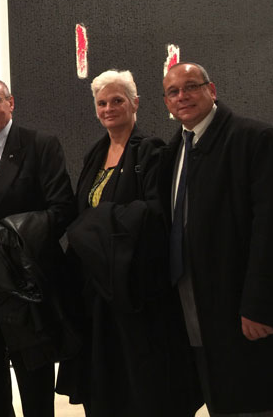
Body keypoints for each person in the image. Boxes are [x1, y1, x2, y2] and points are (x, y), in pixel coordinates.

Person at [158, 62, 273, 416]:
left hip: (250, 312)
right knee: (227, 400)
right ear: (166, 103)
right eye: (173, 92)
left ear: (212, 90)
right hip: (203, 312)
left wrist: (261, 306)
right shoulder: (174, 151)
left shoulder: (255, 139)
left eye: (191, 86)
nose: (182, 96)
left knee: (267, 401)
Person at [57, 69, 201, 416]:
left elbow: (154, 213)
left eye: (117, 100)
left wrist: (94, 225)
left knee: (139, 383)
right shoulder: (96, 153)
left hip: (132, 289)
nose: (109, 108)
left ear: (135, 103)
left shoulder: (150, 151)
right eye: (102, 103)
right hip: (95, 288)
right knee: (103, 381)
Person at [0, 78, 76, 417]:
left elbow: (62, 210)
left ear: (11, 103)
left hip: (23, 290)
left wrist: (7, 247)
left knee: (35, 392)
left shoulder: (40, 145)